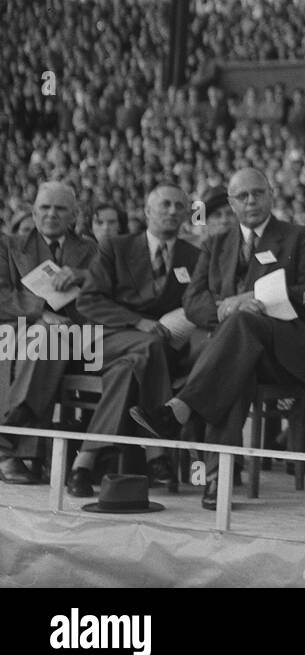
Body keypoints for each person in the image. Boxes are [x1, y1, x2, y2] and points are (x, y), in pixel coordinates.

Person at [130, 167, 305, 509]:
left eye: (258, 193)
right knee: (236, 365)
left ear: (271, 195)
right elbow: (193, 301)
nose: (251, 201)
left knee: (243, 324)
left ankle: (181, 408)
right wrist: (223, 310)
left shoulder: (302, 237)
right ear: (232, 204)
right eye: (242, 196)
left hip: (287, 351)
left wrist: (255, 297)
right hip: (236, 354)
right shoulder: (216, 244)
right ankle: (217, 481)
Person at [74, 183, 200, 495]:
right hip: (107, 338)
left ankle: (84, 463)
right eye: (165, 205)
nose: (172, 211)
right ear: (146, 212)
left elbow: (199, 302)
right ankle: (157, 453)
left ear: (187, 214)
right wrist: (137, 321)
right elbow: (88, 300)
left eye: (179, 207)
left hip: (156, 350)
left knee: (129, 369)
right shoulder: (116, 247)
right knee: (148, 345)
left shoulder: (194, 256)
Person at [0, 182, 99, 485]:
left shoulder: (92, 250)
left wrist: (83, 278)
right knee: (42, 337)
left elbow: (104, 294)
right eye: (45, 207)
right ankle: (20, 435)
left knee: (49, 338)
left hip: (80, 338)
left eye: (60, 208)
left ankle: (11, 436)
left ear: (74, 215)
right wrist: (39, 313)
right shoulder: (9, 245)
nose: (51, 214)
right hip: (21, 331)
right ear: (33, 211)